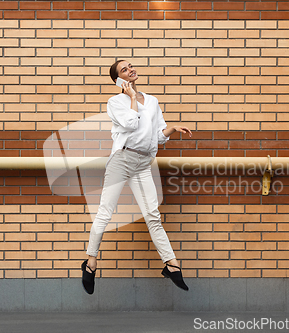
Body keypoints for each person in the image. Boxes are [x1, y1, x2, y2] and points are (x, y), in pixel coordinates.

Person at [81, 60, 193, 294]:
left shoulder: (152, 101)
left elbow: (158, 136)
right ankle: (90, 262)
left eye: (131, 66)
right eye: (125, 70)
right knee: (105, 213)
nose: (131, 69)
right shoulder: (115, 102)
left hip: (143, 163)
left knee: (153, 215)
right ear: (118, 80)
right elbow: (131, 124)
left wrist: (173, 128)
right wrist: (131, 96)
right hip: (122, 160)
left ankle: (171, 264)